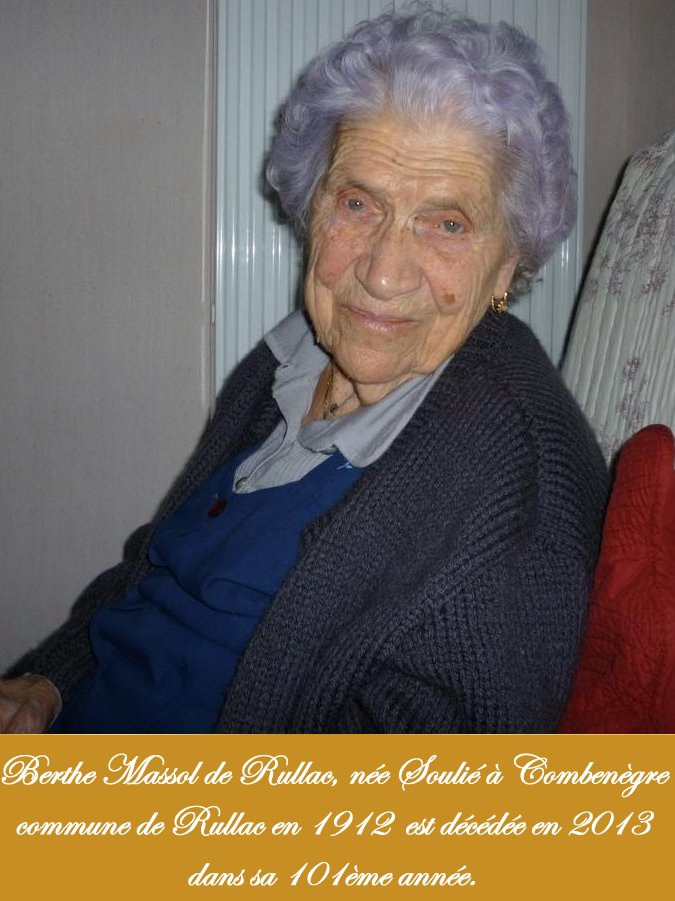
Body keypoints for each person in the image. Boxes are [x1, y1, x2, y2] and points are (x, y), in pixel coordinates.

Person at [0, 8, 607, 734]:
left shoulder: (514, 497)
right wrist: (48, 681)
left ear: (508, 265)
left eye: (447, 224)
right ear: (311, 206)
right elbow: (159, 562)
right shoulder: (291, 355)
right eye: (358, 203)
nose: (382, 274)